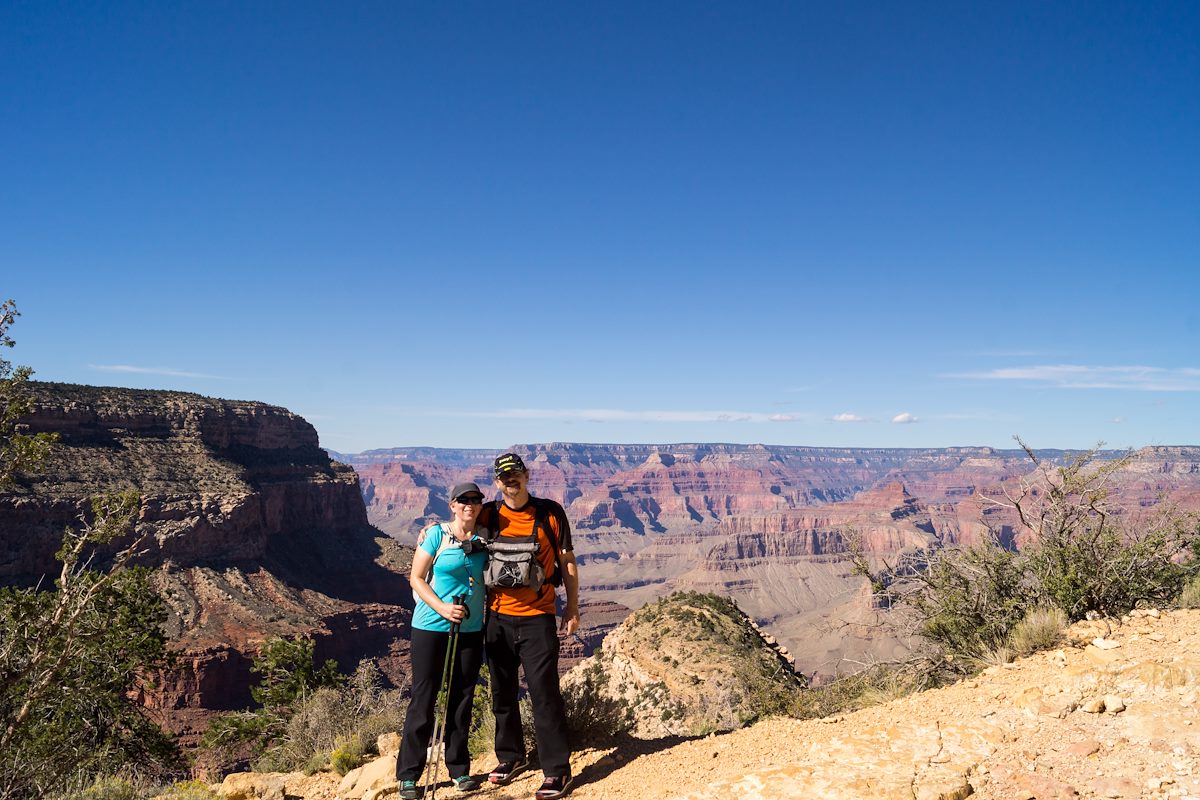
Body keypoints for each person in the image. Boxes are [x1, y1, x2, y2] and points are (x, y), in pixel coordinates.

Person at [479, 452, 580, 800]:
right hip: (497, 618)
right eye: (504, 476)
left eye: (516, 474)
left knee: (544, 695)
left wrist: (573, 607)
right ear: (497, 482)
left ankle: (557, 771)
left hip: (538, 618)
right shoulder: (489, 515)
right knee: (501, 693)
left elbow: (567, 560)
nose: (511, 480)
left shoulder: (550, 513)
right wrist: (429, 532)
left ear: (527, 475)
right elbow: (460, 534)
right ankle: (511, 758)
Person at [396, 482, 490, 799]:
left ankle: (459, 770)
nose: (470, 504)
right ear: (452, 504)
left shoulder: (486, 536)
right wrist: (442, 607)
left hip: (471, 628)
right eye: (463, 500)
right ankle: (409, 776)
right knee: (424, 698)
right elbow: (416, 577)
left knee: (461, 699)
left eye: (475, 500)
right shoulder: (437, 535)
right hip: (430, 625)